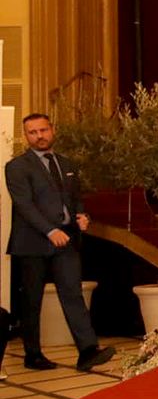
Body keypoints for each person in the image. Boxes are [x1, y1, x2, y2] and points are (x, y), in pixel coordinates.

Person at [6, 114, 115, 372]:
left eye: (43, 130)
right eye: (32, 132)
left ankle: (88, 350)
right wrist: (49, 230)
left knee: (72, 293)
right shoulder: (16, 167)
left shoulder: (67, 163)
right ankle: (32, 354)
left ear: (52, 130)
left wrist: (82, 216)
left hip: (66, 239)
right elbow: (24, 205)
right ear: (26, 136)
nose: (39, 135)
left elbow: (75, 198)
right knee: (31, 301)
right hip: (32, 242)